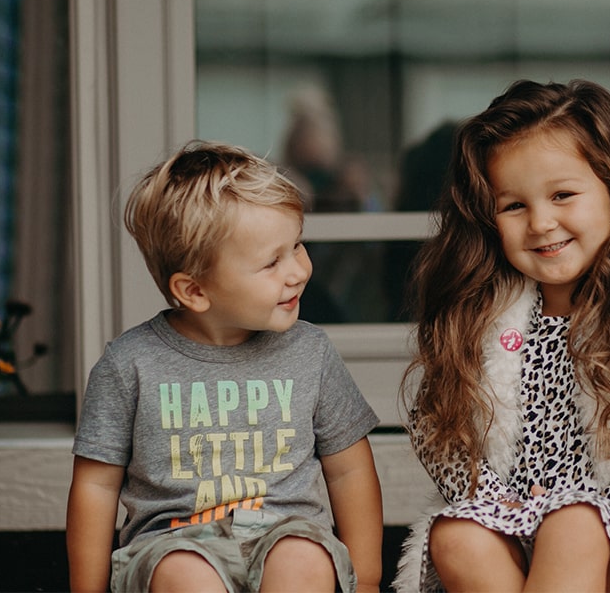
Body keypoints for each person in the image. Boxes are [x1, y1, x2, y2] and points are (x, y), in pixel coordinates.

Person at [393, 79, 610, 592]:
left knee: (575, 524)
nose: (541, 222)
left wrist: (592, 513)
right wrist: (500, 506)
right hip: (512, 524)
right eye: (513, 206)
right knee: (457, 534)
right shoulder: (484, 301)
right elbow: (438, 429)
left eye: (562, 195)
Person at [66, 141, 383, 593]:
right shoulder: (129, 365)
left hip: (287, 531)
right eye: (272, 261)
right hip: (172, 542)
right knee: (185, 576)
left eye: (296, 246)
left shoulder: (310, 352)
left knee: (304, 561)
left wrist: (367, 579)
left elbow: (349, 468)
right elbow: (95, 488)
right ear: (195, 291)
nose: (297, 270)